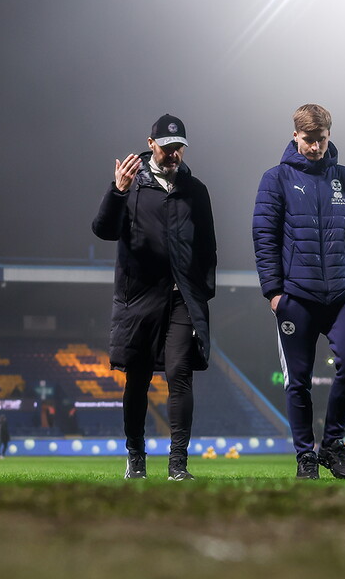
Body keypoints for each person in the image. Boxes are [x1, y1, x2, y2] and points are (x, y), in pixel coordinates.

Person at [92, 114, 217, 481]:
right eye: (167, 147)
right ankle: (136, 456)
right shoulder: (131, 186)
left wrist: (201, 290)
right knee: (138, 378)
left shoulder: (196, 191)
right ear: (151, 145)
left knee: (180, 374)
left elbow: (208, 245)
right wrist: (117, 191)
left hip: (181, 298)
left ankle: (178, 464)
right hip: (139, 299)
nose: (174, 154)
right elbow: (102, 230)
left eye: (179, 147)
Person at [253, 104, 345, 480]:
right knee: (298, 381)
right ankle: (306, 455)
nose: (316, 147)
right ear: (295, 136)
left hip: (343, 294)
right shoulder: (276, 179)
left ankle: (333, 445)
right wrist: (274, 292)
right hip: (297, 297)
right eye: (308, 140)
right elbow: (264, 237)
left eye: (322, 139)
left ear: (329, 135)